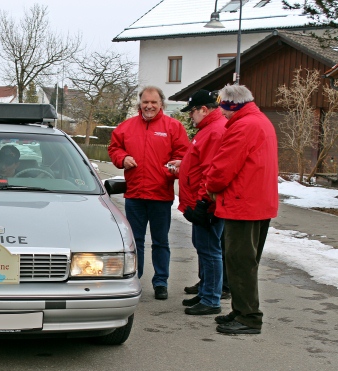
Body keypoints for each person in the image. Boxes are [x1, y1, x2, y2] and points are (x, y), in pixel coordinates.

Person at [204, 84, 279, 335]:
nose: (222, 114)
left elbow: (223, 167)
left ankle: (249, 317)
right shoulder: (259, 121)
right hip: (257, 203)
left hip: (243, 204)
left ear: (232, 105)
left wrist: (210, 185)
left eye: (223, 108)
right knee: (244, 260)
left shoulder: (243, 126)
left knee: (240, 261)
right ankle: (241, 310)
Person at [108, 86, 189, 300]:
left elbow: (184, 155)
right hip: (134, 194)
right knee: (135, 241)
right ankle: (135, 278)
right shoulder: (126, 127)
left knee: (161, 241)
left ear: (161, 104)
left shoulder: (173, 127)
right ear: (140, 103)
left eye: (153, 102)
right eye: (145, 102)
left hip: (161, 195)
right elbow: (114, 148)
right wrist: (122, 158)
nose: (149, 106)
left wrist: (173, 168)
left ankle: (161, 282)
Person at [169, 89, 227, 315]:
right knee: (204, 249)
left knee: (210, 250)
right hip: (200, 201)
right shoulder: (207, 130)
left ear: (204, 109)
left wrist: (203, 203)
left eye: (192, 111)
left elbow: (211, 172)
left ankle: (211, 299)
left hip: (205, 204)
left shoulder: (214, 132)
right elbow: (200, 164)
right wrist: (184, 166)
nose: (190, 116)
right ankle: (206, 292)